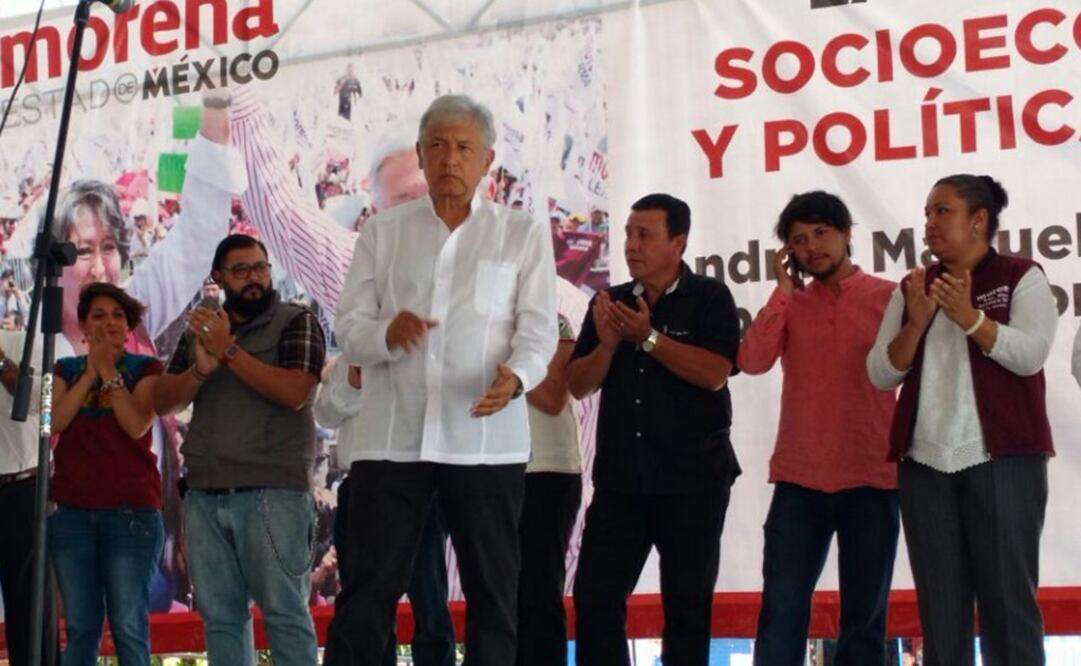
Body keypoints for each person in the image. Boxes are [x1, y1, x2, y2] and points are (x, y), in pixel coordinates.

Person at [323, 94, 557, 666]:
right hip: (391, 440)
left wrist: (518, 377)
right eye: (437, 147)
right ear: (421, 158)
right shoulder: (383, 233)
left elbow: (538, 331)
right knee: (367, 594)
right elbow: (348, 325)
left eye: (463, 147)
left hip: (484, 441)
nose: (449, 159)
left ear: (487, 161)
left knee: (494, 597)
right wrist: (385, 333)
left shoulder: (521, 234)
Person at [867, 174, 1057, 666]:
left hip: (1004, 461)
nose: (928, 223)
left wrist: (970, 318)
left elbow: (1031, 355)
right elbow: (881, 373)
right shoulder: (914, 287)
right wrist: (916, 321)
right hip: (925, 464)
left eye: (942, 211)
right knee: (941, 613)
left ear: (978, 221)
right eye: (927, 212)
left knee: (1009, 610)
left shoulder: (1022, 275)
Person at [567, 193, 741, 666]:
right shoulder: (610, 302)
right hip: (622, 482)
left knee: (686, 609)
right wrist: (605, 347)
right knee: (595, 599)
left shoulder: (710, 297)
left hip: (694, 481)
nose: (631, 244)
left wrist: (647, 338)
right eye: (627, 233)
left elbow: (714, 372)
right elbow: (577, 385)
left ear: (678, 242)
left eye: (644, 234)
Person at [737, 191, 899, 666]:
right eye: (799, 241)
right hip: (799, 481)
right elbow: (751, 361)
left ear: (848, 232)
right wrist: (783, 290)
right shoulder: (791, 304)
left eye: (822, 233)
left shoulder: (889, 297)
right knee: (781, 616)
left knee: (864, 623)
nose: (812, 248)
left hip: (872, 477)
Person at [154, 234, 326, 665]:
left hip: (274, 494)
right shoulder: (204, 327)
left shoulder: (296, 320)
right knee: (221, 620)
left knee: (285, 615)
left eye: (260, 268)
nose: (254, 278)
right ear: (218, 277)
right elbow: (164, 402)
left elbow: (295, 392)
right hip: (206, 494)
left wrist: (228, 351)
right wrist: (200, 368)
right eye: (242, 270)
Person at [48, 282, 165, 665]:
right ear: (82, 325)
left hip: (131, 515)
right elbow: (54, 422)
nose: (109, 323)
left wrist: (110, 374)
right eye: (98, 315)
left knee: (129, 625)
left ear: (129, 326)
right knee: (81, 627)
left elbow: (136, 425)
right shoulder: (63, 369)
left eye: (117, 316)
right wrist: (89, 375)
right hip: (71, 514)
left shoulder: (147, 368)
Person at [314, 356, 456, 666]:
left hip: (419, 485)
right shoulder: (352, 356)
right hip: (361, 486)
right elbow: (324, 413)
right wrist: (354, 381)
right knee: (362, 602)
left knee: (428, 601)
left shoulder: (426, 353)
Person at [516, 312, 581, 666]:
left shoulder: (551, 319)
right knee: (497, 596)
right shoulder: (469, 316)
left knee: (538, 594)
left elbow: (554, 396)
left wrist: (496, 359)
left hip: (547, 470)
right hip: (487, 470)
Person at [0, 329, 58, 666]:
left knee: (32, 615)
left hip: (24, 489)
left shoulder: (28, 342)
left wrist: (3, 363)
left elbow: (44, 406)